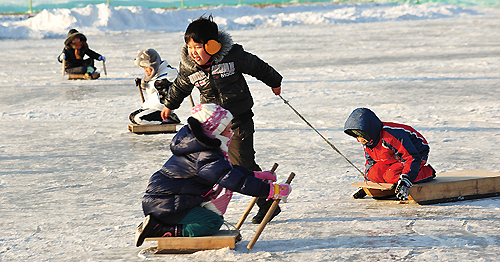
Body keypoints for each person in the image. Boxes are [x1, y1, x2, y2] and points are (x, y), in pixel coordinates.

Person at [160, 15, 283, 224]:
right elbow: (181, 85)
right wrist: (169, 104)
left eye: (198, 47)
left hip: (238, 120)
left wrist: (274, 81)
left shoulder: (233, 56)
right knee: (207, 164)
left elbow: (257, 66)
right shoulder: (189, 66)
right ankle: (199, 205)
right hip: (212, 125)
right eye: (190, 47)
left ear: (213, 45)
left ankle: (267, 201)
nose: (193, 52)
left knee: (241, 162)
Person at [135, 104, 291, 247]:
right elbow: (233, 180)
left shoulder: (200, 147)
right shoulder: (204, 154)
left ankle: (162, 224)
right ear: (215, 130)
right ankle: (159, 228)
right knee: (211, 222)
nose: (231, 133)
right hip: (166, 205)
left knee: (211, 217)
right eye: (228, 129)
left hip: (169, 200)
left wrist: (254, 175)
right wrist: (270, 191)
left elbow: (227, 170)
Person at [344, 108, 436, 200]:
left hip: (417, 153)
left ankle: (427, 172)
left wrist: (405, 180)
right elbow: (370, 161)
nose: (359, 139)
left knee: (391, 175)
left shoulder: (390, 136)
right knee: (374, 174)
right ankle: (393, 179)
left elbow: (411, 157)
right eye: (356, 135)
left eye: (361, 134)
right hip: (392, 157)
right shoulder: (368, 141)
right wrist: (368, 184)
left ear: (370, 130)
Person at [129, 48, 180, 125]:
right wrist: (141, 82)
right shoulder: (153, 74)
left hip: (161, 108)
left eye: (146, 68)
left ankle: (168, 118)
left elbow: (177, 80)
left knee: (139, 119)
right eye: (144, 68)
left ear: (153, 65)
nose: (145, 71)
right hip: (151, 106)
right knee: (132, 116)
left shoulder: (168, 72)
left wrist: (164, 83)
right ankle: (161, 118)